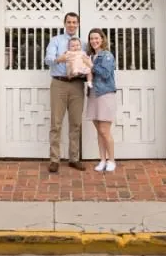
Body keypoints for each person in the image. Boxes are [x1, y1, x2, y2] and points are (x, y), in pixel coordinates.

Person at [43, 12, 87, 173]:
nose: (71, 25)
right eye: (69, 22)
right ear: (64, 23)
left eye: (74, 22)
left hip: (77, 85)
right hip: (59, 84)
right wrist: (58, 59)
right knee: (56, 123)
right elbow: (47, 60)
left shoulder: (83, 43)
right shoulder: (56, 40)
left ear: (78, 24)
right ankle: (54, 159)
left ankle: (74, 158)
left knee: (76, 123)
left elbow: (87, 61)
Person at [85, 28, 117, 172]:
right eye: (92, 38)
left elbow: (105, 73)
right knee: (99, 131)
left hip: (105, 94)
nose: (94, 41)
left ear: (102, 39)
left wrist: (91, 66)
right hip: (93, 94)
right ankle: (102, 160)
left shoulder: (107, 55)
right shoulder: (91, 56)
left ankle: (112, 160)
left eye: (97, 38)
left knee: (105, 130)